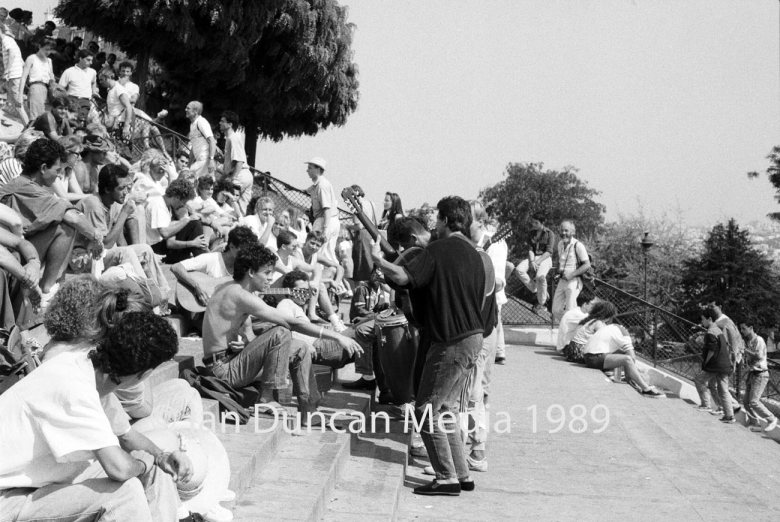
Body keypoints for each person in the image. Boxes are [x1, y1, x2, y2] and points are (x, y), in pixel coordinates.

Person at [0, 294, 184, 521]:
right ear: (144, 375)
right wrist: (143, 464)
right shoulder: (75, 387)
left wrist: (160, 456)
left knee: (156, 469)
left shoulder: (90, 368)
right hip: (7, 497)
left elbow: (126, 437)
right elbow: (118, 469)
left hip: (34, 481)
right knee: (125, 492)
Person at [372, 196, 481, 496]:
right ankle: (462, 473)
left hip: (450, 340)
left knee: (424, 410)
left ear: (444, 221)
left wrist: (377, 260)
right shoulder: (472, 253)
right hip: (474, 337)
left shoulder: (437, 249)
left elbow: (405, 276)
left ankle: (446, 478)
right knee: (445, 409)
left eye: (437, 219)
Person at [201, 243, 362, 419]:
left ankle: (309, 411)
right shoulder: (239, 294)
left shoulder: (236, 290)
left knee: (299, 347)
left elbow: (245, 335)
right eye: (267, 273)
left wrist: (242, 344)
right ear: (251, 272)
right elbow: (289, 322)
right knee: (281, 332)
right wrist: (338, 337)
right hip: (222, 370)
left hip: (231, 359)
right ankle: (266, 400)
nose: (270, 278)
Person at [0, 138, 104, 309]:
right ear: (43, 168)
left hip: (14, 253)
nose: (58, 174)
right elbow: (73, 217)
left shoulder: (20, 184)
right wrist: (96, 237)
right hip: (12, 259)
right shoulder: (28, 189)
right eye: (57, 169)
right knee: (66, 226)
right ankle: (47, 289)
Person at [582, 305, 664, 397]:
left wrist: (630, 375)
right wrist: (635, 376)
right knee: (627, 359)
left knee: (623, 354)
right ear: (633, 335)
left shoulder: (616, 328)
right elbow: (631, 358)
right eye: (636, 342)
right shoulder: (625, 335)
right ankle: (646, 389)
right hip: (593, 358)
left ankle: (628, 379)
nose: (634, 345)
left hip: (588, 356)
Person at [171, 226, 258, 308]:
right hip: (197, 310)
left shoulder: (245, 268)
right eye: (244, 249)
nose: (247, 253)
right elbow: (176, 267)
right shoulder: (212, 258)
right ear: (231, 246)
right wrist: (196, 287)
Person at [146, 178, 208, 264]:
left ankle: (203, 256)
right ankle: (203, 259)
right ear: (177, 197)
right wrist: (187, 220)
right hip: (156, 248)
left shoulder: (167, 205)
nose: (183, 205)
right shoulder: (158, 205)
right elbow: (165, 233)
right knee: (193, 224)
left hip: (163, 245)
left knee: (195, 223)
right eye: (183, 202)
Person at [694, 307, 737, 422]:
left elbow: (712, 350)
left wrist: (705, 363)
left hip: (715, 364)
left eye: (703, 320)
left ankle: (706, 404)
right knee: (723, 390)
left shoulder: (711, 332)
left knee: (699, 379)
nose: (702, 322)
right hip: (724, 365)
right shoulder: (718, 330)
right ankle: (729, 415)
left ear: (710, 319)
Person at [738, 319, 778, 431]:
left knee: (754, 401)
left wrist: (744, 350)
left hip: (760, 374)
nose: (742, 331)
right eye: (741, 329)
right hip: (753, 374)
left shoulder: (758, 340)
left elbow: (759, 356)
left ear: (751, 328)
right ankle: (755, 423)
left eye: (744, 328)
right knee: (746, 402)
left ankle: (771, 418)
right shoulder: (749, 341)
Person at [514, 214, 556, 313]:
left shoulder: (550, 234)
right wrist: (532, 261)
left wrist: (537, 262)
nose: (534, 224)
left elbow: (549, 252)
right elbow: (530, 249)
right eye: (533, 222)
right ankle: (536, 289)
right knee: (519, 270)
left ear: (542, 223)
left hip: (545, 258)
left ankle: (542, 302)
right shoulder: (531, 233)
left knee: (540, 277)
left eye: (536, 222)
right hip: (533, 258)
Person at [552, 220, 590, 322]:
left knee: (570, 310)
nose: (563, 233)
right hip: (562, 280)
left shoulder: (578, 245)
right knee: (555, 310)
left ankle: (573, 330)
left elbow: (587, 264)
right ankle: (581, 320)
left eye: (566, 230)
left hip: (573, 281)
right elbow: (561, 262)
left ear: (572, 232)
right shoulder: (560, 244)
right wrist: (558, 273)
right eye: (562, 230)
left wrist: (572, 274)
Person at [305, 157, 340, 268]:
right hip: (332, 220)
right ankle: (338, 276)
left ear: (318, 169)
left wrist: (324, 229)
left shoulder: (322, 185)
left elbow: (326, 209)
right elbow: (308, 190)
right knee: (329, 254)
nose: (307, 170)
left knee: (316, 252)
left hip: (325, 220)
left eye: (310, 168)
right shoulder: (319, 184)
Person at [219, 110, 253, 215]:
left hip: (240, 176)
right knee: (240, 212)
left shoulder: (233, 138)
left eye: (222, 121)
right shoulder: (231, 138)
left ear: (230, 124)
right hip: (246, 176)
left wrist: (232, 179)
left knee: (226, 202)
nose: (220, 123)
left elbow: (240, 161)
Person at [20, 36, 56, 121]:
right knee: (36, 117)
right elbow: (24, 77)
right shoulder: (32, 58)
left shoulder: (49, 61)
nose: (48, 52)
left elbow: (51, 76)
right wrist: (20, 95)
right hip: (36, 87)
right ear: (40, 47)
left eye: (50, 50)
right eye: (46, 49)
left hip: (47, 90)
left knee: (44, 116)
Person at [58, 49, 99, 124]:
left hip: (85, 101)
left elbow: (93, 82)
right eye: (88, 60)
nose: (91, 62)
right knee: (69, 122)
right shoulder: (69, 71)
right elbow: (60, 88)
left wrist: (94, 91)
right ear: (80, 58)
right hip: (71, 100)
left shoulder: (92, 72)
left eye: (91, 60)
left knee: (80, 123)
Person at [0, 31, 27, 124]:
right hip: (16, 75)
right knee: (11, 104)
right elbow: (20, 59)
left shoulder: (5, 40)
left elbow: (12, 54)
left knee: (18, 105)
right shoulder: (10, 40)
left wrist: (7, 71)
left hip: (14, 75)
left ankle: (28, 127)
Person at [99, 68, 133, 141]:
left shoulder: (118, 89)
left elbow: (128, 106)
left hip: (121, 125)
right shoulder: (111, 89)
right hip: (114, 125)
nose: (100, 82)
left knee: (122, 150)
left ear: (107, 78)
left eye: (101, 79)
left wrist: (126, 126)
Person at [185, 101, 215, 179]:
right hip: (200, 161)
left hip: (205, 161)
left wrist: (211, 160)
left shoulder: (201, 122)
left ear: (195, 111)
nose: (185, 110)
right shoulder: (192, 125)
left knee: (187, 179)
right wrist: (188, 165)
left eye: (188, 108)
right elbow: (193, 146)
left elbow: (212, 141)